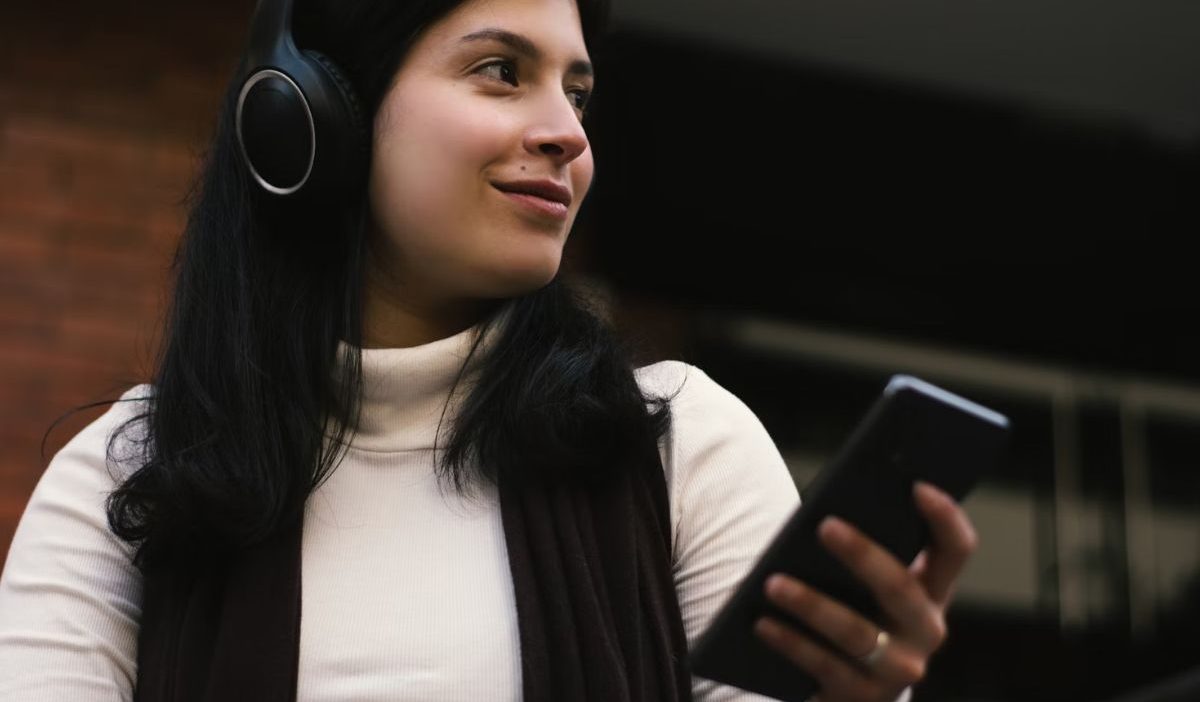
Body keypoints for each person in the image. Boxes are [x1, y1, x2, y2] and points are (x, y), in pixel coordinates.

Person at [0, 0, 978, 700]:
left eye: (578, 94)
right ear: (310, 116)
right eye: (502, 71)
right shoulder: (126, 476)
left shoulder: (681, 445)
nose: (566, 135)